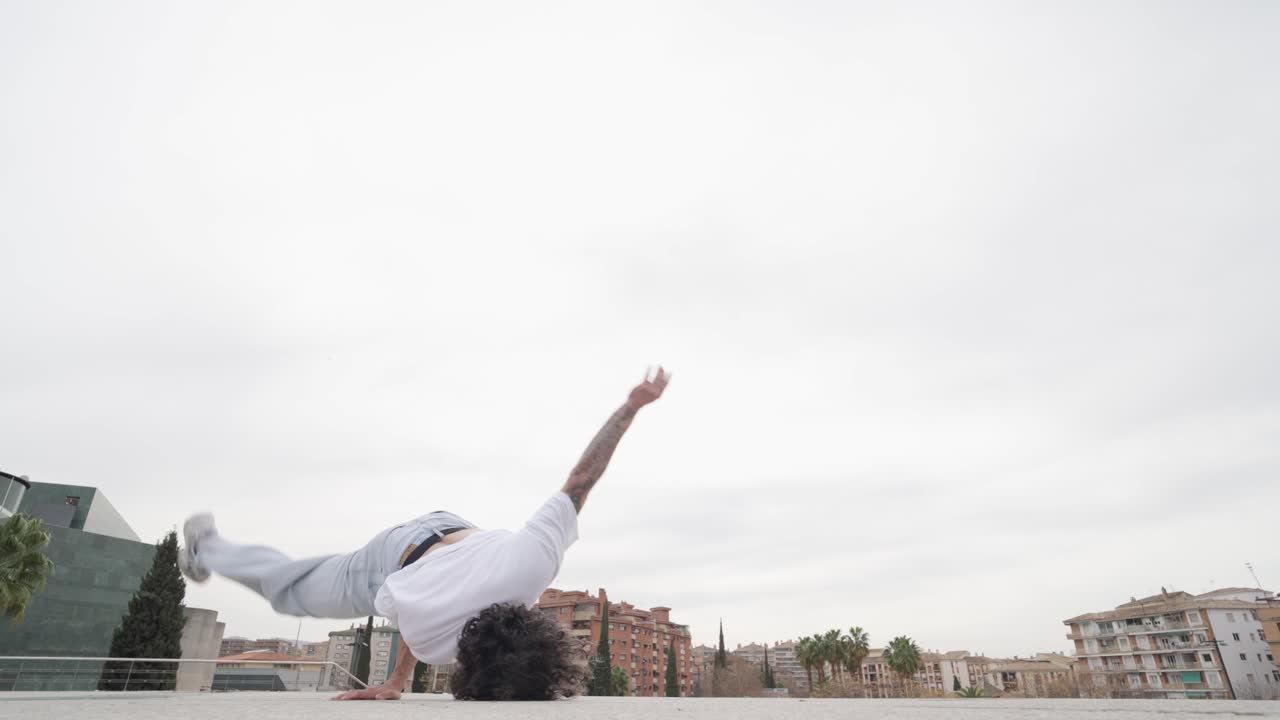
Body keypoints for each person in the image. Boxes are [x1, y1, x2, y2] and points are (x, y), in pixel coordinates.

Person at [178, 367, 671, 700]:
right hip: (392, 560)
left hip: (446, 526)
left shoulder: (532, 566)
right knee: (292, 590)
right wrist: (396, 680)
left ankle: (213, 550)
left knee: (302, 580)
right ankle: (210, 549)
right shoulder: (439, 644)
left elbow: (582, 479)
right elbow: (420, 606)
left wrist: (632, 407)